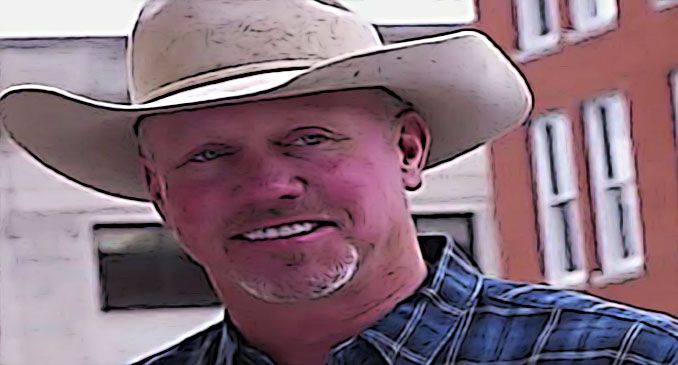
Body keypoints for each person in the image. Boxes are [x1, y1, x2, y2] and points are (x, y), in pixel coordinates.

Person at [0, 0, 675, 364]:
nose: (268, 184)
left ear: (408, 149)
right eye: (209, 154)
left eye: (309, 139)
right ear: (159, 193)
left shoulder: (621, 359)